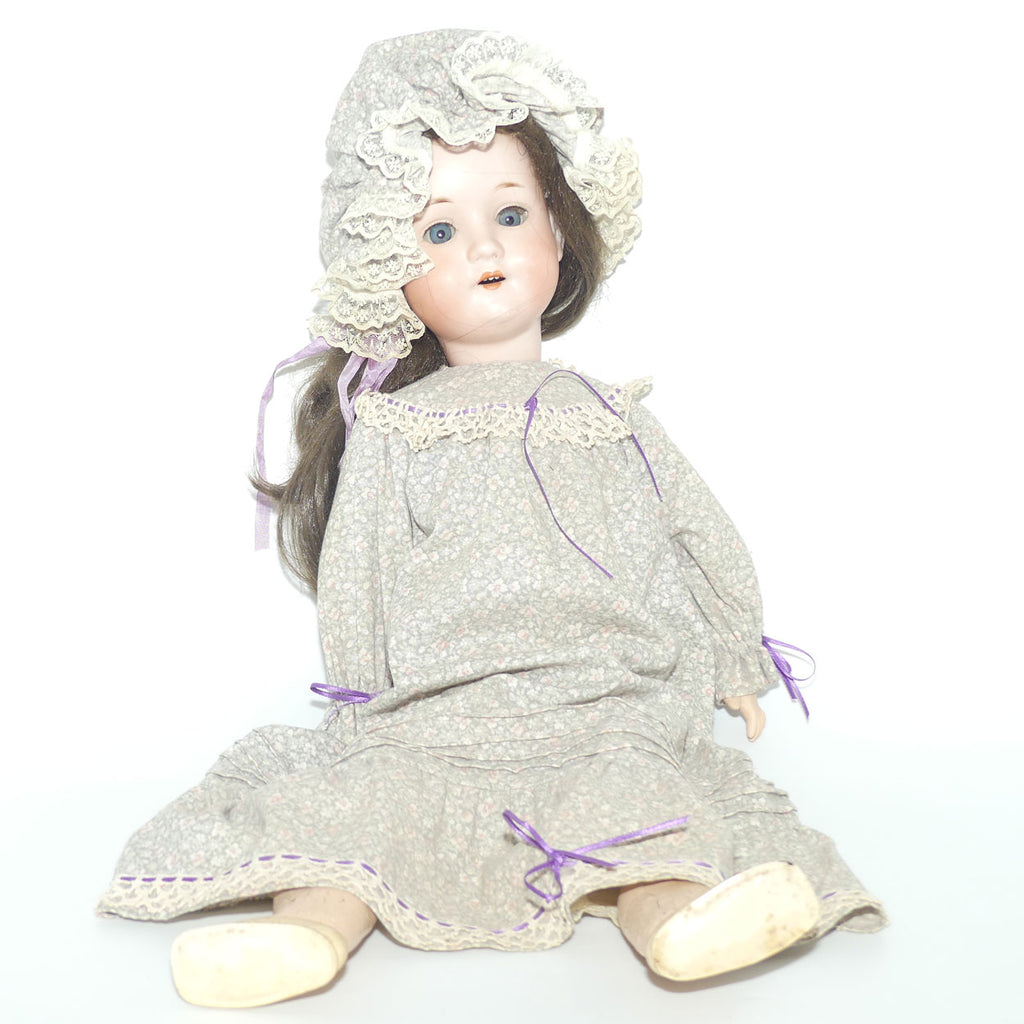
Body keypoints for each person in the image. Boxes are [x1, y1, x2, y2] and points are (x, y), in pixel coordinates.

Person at [98, 29, 886, 1008]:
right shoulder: (395, 428)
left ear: (559, 233)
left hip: (600, 704)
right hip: (437, 716)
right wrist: (361, 702)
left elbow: (698, 532)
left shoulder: (612, 416)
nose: (482, 246)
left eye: (510, 214)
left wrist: (734, 657)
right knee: (361, 809)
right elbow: (359, 571)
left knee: (636, 803)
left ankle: (677, 922)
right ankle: (306, 932)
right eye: (438, 232)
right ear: (391, 270)